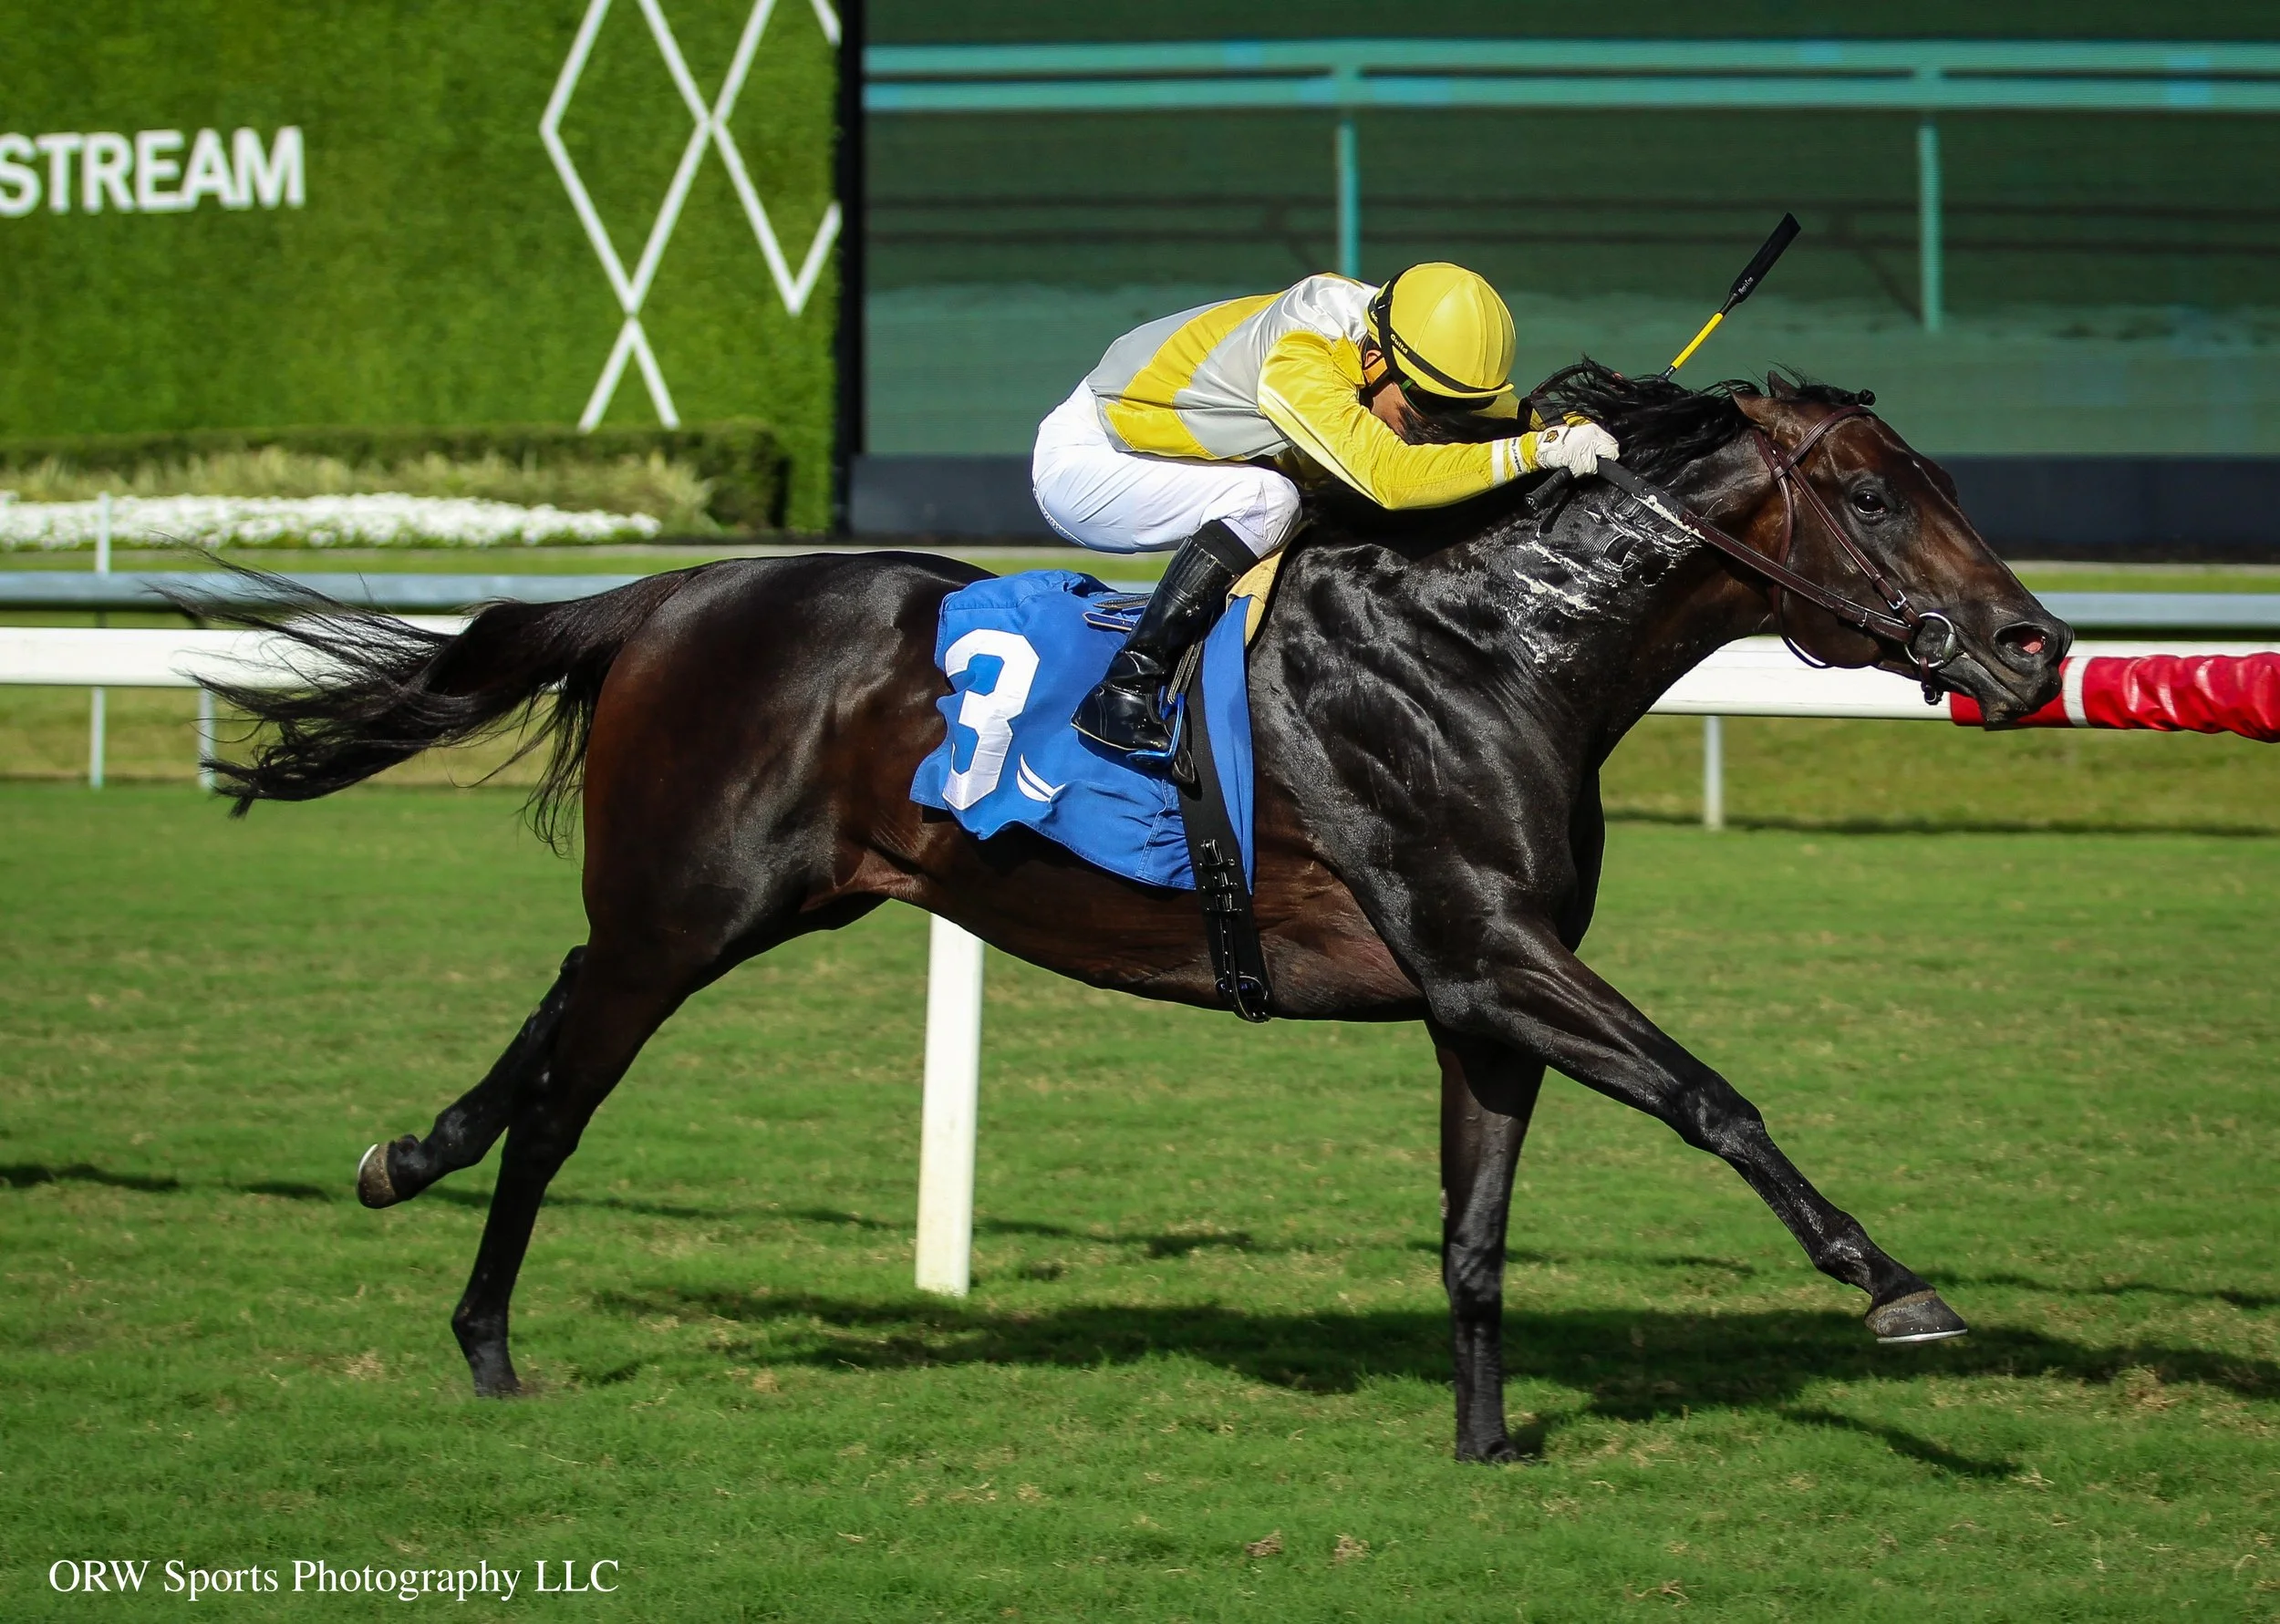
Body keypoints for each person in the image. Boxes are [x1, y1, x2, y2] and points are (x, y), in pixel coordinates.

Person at [1031, 263, 1622, 758]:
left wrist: (1564, 424)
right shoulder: (1298, 361)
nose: (1435, 421)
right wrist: (1532, 451)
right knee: (1269, 500)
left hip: (1168, 450)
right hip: (1094, 461)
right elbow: (1391, 479)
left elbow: (1493, 414)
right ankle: (1126, 685)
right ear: (1375, 362)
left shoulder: (1398, 336)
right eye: (1426, 403)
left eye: (1451, 405)